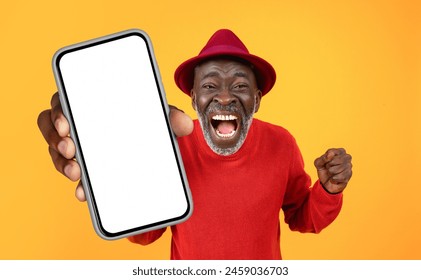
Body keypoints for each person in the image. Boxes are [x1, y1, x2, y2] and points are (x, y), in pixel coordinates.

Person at [38, 29, 352, 259]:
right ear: (194, 99)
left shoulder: (281, 144)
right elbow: (146, 236)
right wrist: (118, 189)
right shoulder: (169, 145)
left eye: (240, 85)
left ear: (256, 100)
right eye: (210, 84)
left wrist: (330, 189)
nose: (226, 96)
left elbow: (302, 218)